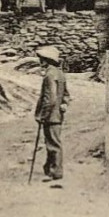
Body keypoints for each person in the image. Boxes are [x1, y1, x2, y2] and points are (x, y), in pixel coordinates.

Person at [34, 45, 70, 184]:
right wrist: (64, 105)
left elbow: (50, 99)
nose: (40, 61)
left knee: (53, 143)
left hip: (51, 115)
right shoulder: (60, 73)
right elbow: (66, 95)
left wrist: (43, 115)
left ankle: (55, 172)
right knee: (53, 141)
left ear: (46, 60)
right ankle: (50, 168)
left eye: (41, 59)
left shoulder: (49, 75)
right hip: (57, 114)